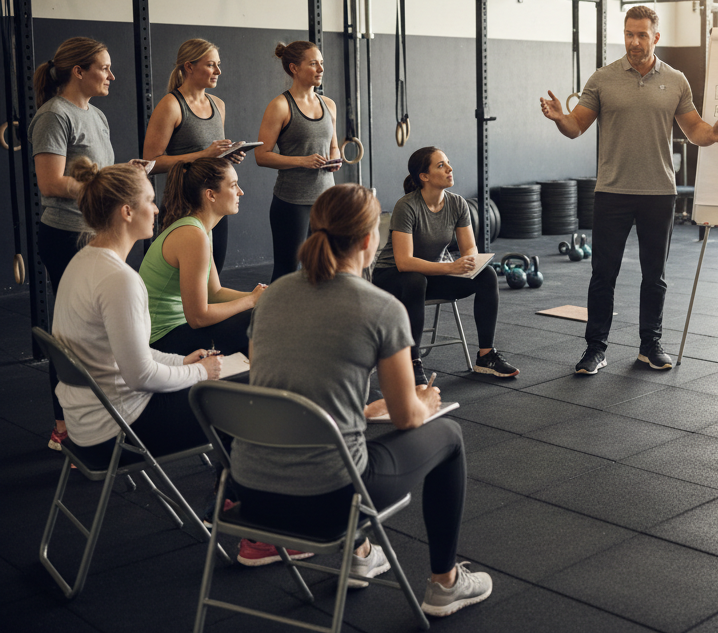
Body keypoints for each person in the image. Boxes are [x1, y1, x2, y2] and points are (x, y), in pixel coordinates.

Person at [231, 184, 492, 615]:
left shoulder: (273, 296)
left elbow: (273, 388)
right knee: (449, 435)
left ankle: (361, 554)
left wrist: (360, 410)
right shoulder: (381, 307)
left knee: (344, 437)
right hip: (330, 500)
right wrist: (425, 403)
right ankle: (445, 583)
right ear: (370, 241)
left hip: (253, 496)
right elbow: (407, 418)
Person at [539, 5, 718, 374]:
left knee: (654, 276)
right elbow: (576, 127)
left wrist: (714, 134)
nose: (634, 41)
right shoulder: (602, 78)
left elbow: (694, 129)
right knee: (603, 275)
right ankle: (595, 349)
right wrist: (559, 119)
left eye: (641, 34)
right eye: (629, 34)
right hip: (612, 190)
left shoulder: (676, 80)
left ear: (655, 37)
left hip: (659, 192)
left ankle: (650, 345)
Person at [50, 158, 224, 470]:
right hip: (116, 432)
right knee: (240, 400)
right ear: (127, 212)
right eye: (150, 201)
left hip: (88, 425)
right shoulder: (120, 280)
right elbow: (140, 375)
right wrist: (201, 372)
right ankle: (232, 504)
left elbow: (129, 355)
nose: (156, 210)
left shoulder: (83, 262)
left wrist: (180, 361)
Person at [30, 37, 117, 451]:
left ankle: (97, 417)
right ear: (78, 71)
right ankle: (62, 427)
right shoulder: (54, 115)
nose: (110, 76)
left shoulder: (95, 116)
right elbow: (50, 182)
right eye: (103, 68)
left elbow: (96, 172)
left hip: (96, 231)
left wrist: (120, 176)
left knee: (99, 328)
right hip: (65, 235)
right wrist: (103, 184)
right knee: (70, 332)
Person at [371, 147, 517, 384]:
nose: (450, 169)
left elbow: (469, 247)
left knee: (487, 275)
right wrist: (451, 268)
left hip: (432, 274)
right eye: (441, 165)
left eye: (448, 163)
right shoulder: (406, 206)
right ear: (424, 176)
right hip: (392, 276)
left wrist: (470, 261)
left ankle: (486, 356)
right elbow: (404, 261)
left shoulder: (457, 204)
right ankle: (412, 361)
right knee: (415, 279)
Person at [139, 157, 264, 356]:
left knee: (261, 311)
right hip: (162, 341)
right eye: (233, 186)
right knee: (257, 318)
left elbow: (214, 293)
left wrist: (261, 297)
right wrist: (251, 301)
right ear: (211, 195)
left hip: (179, 329)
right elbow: (198, 317)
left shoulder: (201, 230)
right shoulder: (192, 235)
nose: (241, 191)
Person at [142, 39, 244, 273]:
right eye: (211, 65)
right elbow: (150, 163)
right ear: (189, 67)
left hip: (215, 203)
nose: (218, 71)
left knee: (213, 276)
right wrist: (204, 154)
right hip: (183, 203)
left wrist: (227, 156)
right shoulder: (171, 105)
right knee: (183, 283)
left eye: (218, 65)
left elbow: (212, 156)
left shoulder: (218, 105)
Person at [255, 41, 340, 282]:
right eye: (313, 64)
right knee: (287, 273)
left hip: (326, 201)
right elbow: (261, 156)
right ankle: (275, 320)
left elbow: (333, 145)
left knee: (326, 269)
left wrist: (335, 159)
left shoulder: (329, 105)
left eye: (321, 63)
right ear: (294, 68)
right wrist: (302, 161)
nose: (320, 68)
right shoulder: (280, 106)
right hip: (292, 202)